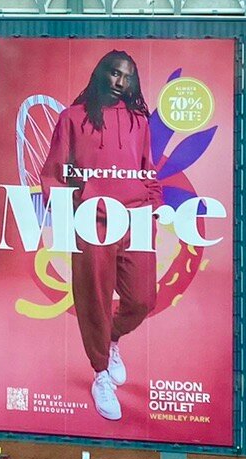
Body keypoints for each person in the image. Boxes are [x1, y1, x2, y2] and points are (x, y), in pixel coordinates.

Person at [38, 50, 157, 422]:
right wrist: (73, 207)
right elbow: (53, 173)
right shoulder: (72, 118)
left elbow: (147, 168)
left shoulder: (140, 120)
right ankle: (100, 374)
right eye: (114, 73)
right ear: (100, 73)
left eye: (127, 76)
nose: (120, 81)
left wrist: (152, 206)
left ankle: (111, 339)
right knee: (94, 301)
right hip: (92, 222)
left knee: (142, 299)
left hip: (134, 218)